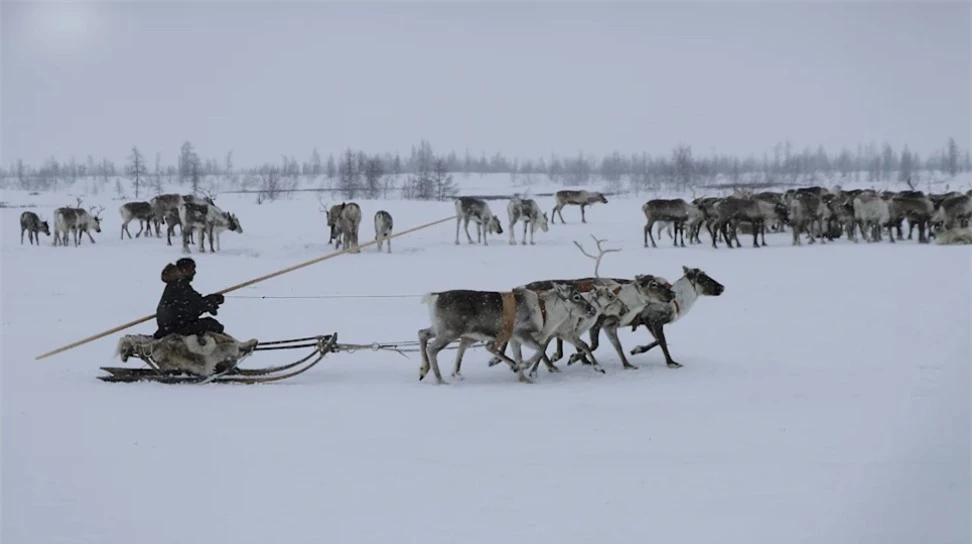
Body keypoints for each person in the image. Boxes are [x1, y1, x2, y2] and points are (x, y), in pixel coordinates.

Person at [153, 258, 226, 340]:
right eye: (192, 269)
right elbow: (194, 306)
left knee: (210, 323)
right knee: (214, 325)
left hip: (171, 326)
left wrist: (210, 302)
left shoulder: (177, 284)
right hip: (176, 328)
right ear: (184, 270)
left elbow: (194, 302)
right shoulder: (179, 286)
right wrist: (210, 302)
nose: (194, 272)